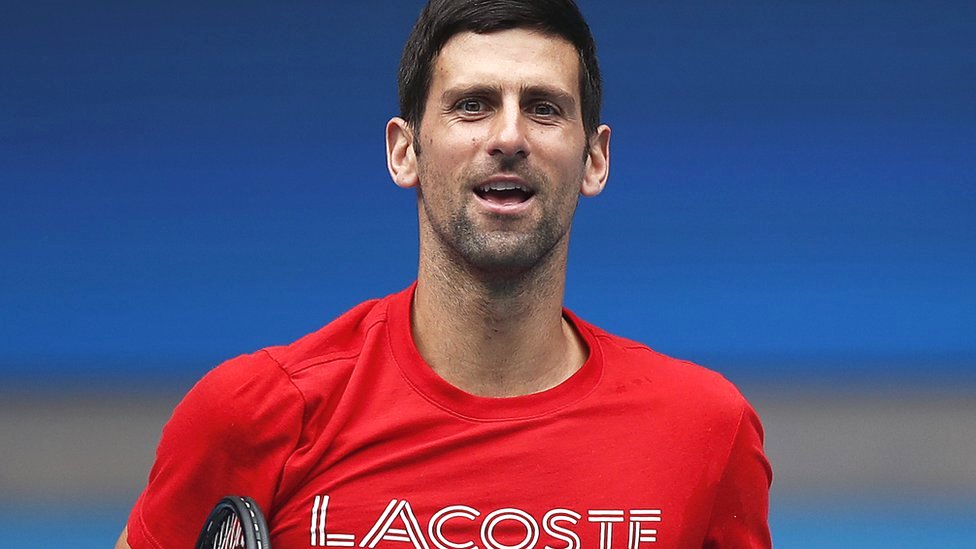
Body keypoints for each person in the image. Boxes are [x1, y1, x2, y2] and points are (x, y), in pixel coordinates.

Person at [117, 0, 772, 547]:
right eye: (472, 105)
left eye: (544, 108)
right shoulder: (255, 415)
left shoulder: (705, 429)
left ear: (595, 159)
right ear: (405, 151)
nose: (509, 136)